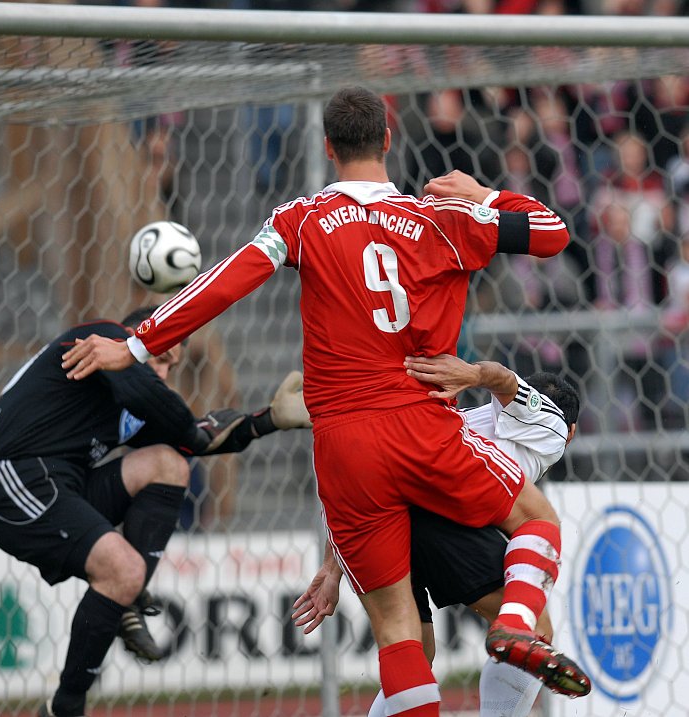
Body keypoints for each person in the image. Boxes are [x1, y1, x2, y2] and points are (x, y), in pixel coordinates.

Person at [60, 86, 591, 715]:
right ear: (389, 140)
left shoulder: (301, 219)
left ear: (327, 148)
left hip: (342, 448)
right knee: (536, 519)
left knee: (397, 631)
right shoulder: (441, 219)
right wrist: (483, 195)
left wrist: (140, 344)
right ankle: (514, 621)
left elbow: (228, 279)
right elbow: (553, 233)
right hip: (419, 425)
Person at [0, 306, 310, 717]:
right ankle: (67, 707)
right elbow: (173, 414)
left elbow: (194, 441)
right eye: (161, 358)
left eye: (173, 366)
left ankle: (124, 604)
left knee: (169, 464)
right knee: (123, 568)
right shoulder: (100, 339)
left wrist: (267, 419)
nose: (166, 375)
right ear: (138, 337)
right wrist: (182, 423)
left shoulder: (133, 400)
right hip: (13, 481)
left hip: (66, 489)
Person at [292, 353, 580, 717]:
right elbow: (506, 379)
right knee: (534, 629)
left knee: (414, 654)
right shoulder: (553, 429)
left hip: (384, 514)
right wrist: (475, 374)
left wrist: (332, 570)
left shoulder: (462, 421)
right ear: (572, 432)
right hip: (438, 515)